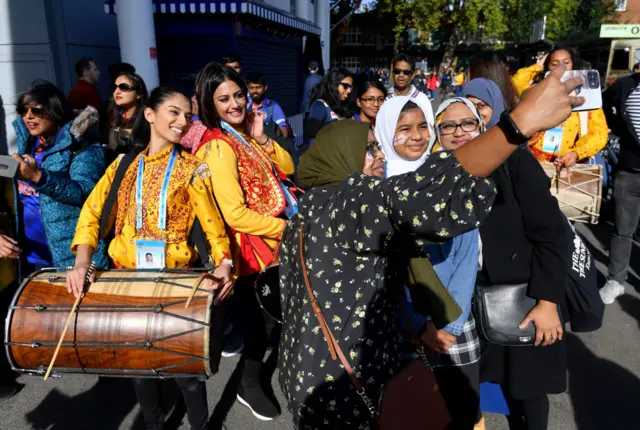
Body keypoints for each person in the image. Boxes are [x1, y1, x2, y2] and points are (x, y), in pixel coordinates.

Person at [277, 65, 586, 429]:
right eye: (370, 148)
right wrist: (518, 124)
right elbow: (430, 196)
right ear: (340, 156)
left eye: (378, 145)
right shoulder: (349, 202)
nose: (379, 155)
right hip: (344, 384)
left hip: (310, 375)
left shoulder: (310, 206)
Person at [68, 86, 234, 430]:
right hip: (127, 282)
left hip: (176, 283)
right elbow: (92, 213)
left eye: (187, 115)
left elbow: (213, 225)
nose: (182, 121)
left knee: (185, 371)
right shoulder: (124, 166)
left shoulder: (194, 168)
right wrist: (82, 262)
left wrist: (224, 263)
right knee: (138, 368)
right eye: (173, 112)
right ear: (150, 114)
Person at [460, 78, 569, 430]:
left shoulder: (516, 164)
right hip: (471, 302)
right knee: (474, 389)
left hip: (522, 299)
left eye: (481, 107)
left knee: (528, 393)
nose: (471, 117)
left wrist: (548, 302)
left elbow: (553, 235)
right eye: (462, 110)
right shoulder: (447, 169)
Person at [192, 62, 295, 421]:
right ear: (210, 103)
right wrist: (286, 230)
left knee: (271, 316)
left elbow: (287, 167)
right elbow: (234, 214)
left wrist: (261, 135)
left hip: (266, 239)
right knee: (260, 321)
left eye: (239, 95)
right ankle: (249, 384)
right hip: (250, 248)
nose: (235, 104)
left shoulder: (242, 136)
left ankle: (255, 376)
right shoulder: (219, 147)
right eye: (224, 99)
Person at [377, 95, 484, 429]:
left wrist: (447, 325)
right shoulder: (373, 188)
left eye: (423, 126)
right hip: (403, 327)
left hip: (454, 320)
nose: (417, 136)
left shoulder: (447, 175)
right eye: (404, 128)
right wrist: (420, 324)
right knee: (413, 413)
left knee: (463, 412)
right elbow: (381, 271)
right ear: (383, 133)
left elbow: (466, 257)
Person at [4, 82, 107, 273]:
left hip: (73, 258)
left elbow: (88, 193)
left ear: (55, 110)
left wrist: (38, 177)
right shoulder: (27, 146)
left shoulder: (82, 146)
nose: (28, 116)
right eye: (23, 110)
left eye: (36, 110)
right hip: (31, 258)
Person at [512, 46, 608, 168]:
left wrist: (576, 153)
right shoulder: (536, 91)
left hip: (569, 166)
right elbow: (516, 82)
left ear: (573, 64)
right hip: (534, 163)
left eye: (566, 62)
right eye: (555, 63)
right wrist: (539, 65)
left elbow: (599, 133)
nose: (561, 67)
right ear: (547, 66)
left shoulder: (587, 97)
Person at [600, 71, 640, 303]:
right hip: (630, 171)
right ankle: (615, 281)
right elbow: (604, 104)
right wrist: (618, 129)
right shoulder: (625, 85)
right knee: (622, 231)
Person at [302, 68, 354, 153]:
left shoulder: (344, 107)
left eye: (351, 87)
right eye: (345, 86)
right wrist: (335, 124)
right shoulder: (320, 105)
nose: (349, 91)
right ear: (334, 84)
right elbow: (310, 132)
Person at [105, 73, 149, 164]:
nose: (117, 92)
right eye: (114, 87)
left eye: (124, 87)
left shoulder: (148, 117)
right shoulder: (110, 114)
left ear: (139, 94)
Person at [246, 72, 291, 138]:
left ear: (265, 88)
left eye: (258, 87)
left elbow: (284, 133)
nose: (254, 91)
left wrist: (264, 130)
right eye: (251, 88)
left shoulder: (273, 107)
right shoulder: (246, 108)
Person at [387, 54, 432, 120]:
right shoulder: (384, 98)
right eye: (397, 71)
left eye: (406, 72)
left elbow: (430, 126)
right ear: (392, 73)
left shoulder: (422, 100)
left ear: (413, 75)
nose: (401, 75)